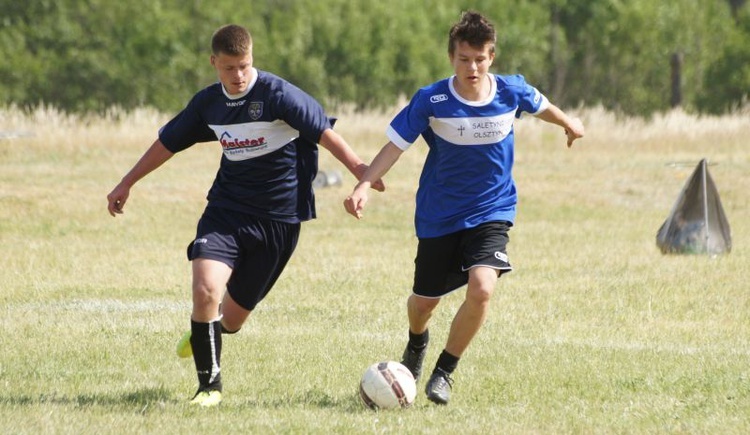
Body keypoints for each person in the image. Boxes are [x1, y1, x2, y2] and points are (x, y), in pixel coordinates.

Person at [106, 24, 383, 407]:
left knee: (232, 321)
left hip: (280, 220)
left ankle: (208, 329)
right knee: (205, 290)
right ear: (214, 63)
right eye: (228, 68)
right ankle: (209, 387)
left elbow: (323, 132)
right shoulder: (208, 104)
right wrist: (126, 182)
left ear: (252, 59)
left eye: (244, 66)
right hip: (227, 211)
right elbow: (167, 143)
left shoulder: (279, 95)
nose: (237, 76)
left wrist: (360, 174)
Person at [343, 11, 584, 405]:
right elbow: (394, 147)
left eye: (480, 58)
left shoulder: (511, 91)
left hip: (493, 209)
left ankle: (444, 371)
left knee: (482, 287)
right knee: (423, 304)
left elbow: (543, 107)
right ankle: (417, 343)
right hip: (439, 215)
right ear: (451, 58)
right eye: (464, 59)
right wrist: (365, 184)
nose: (472, 67)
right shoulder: (431, 100)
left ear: (492, 57)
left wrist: (569, 124)